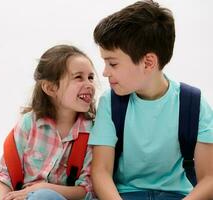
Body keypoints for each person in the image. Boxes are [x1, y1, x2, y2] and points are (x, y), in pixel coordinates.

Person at [88, 1, 213, 200]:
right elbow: (101, 171)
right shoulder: (110, 104)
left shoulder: (194, 105)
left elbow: (209, 179)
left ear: (148, 62)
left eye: (112, 63)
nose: (104, 72)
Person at [0, 44, 97, 200]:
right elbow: (4, 177)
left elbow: (86, 190)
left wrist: (42, 188)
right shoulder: (29, 123)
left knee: (44, 197)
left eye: (90, 77)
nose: (89, 84)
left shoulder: (93, 131)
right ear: (50, 88)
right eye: (78, 77)